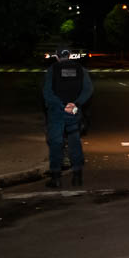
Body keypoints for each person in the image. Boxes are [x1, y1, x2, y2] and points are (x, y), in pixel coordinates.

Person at [43, 49, 93, 188]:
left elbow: (47, 92)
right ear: (69, 56)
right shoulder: (80, 69)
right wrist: (75, 104)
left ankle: (56, 178)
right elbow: (88, 90)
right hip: (74, 111)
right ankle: (77, 177)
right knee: (74, 142)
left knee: (56, 143)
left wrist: (61, 105)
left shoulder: (52, 70)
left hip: (57, 112)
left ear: (57, 57)